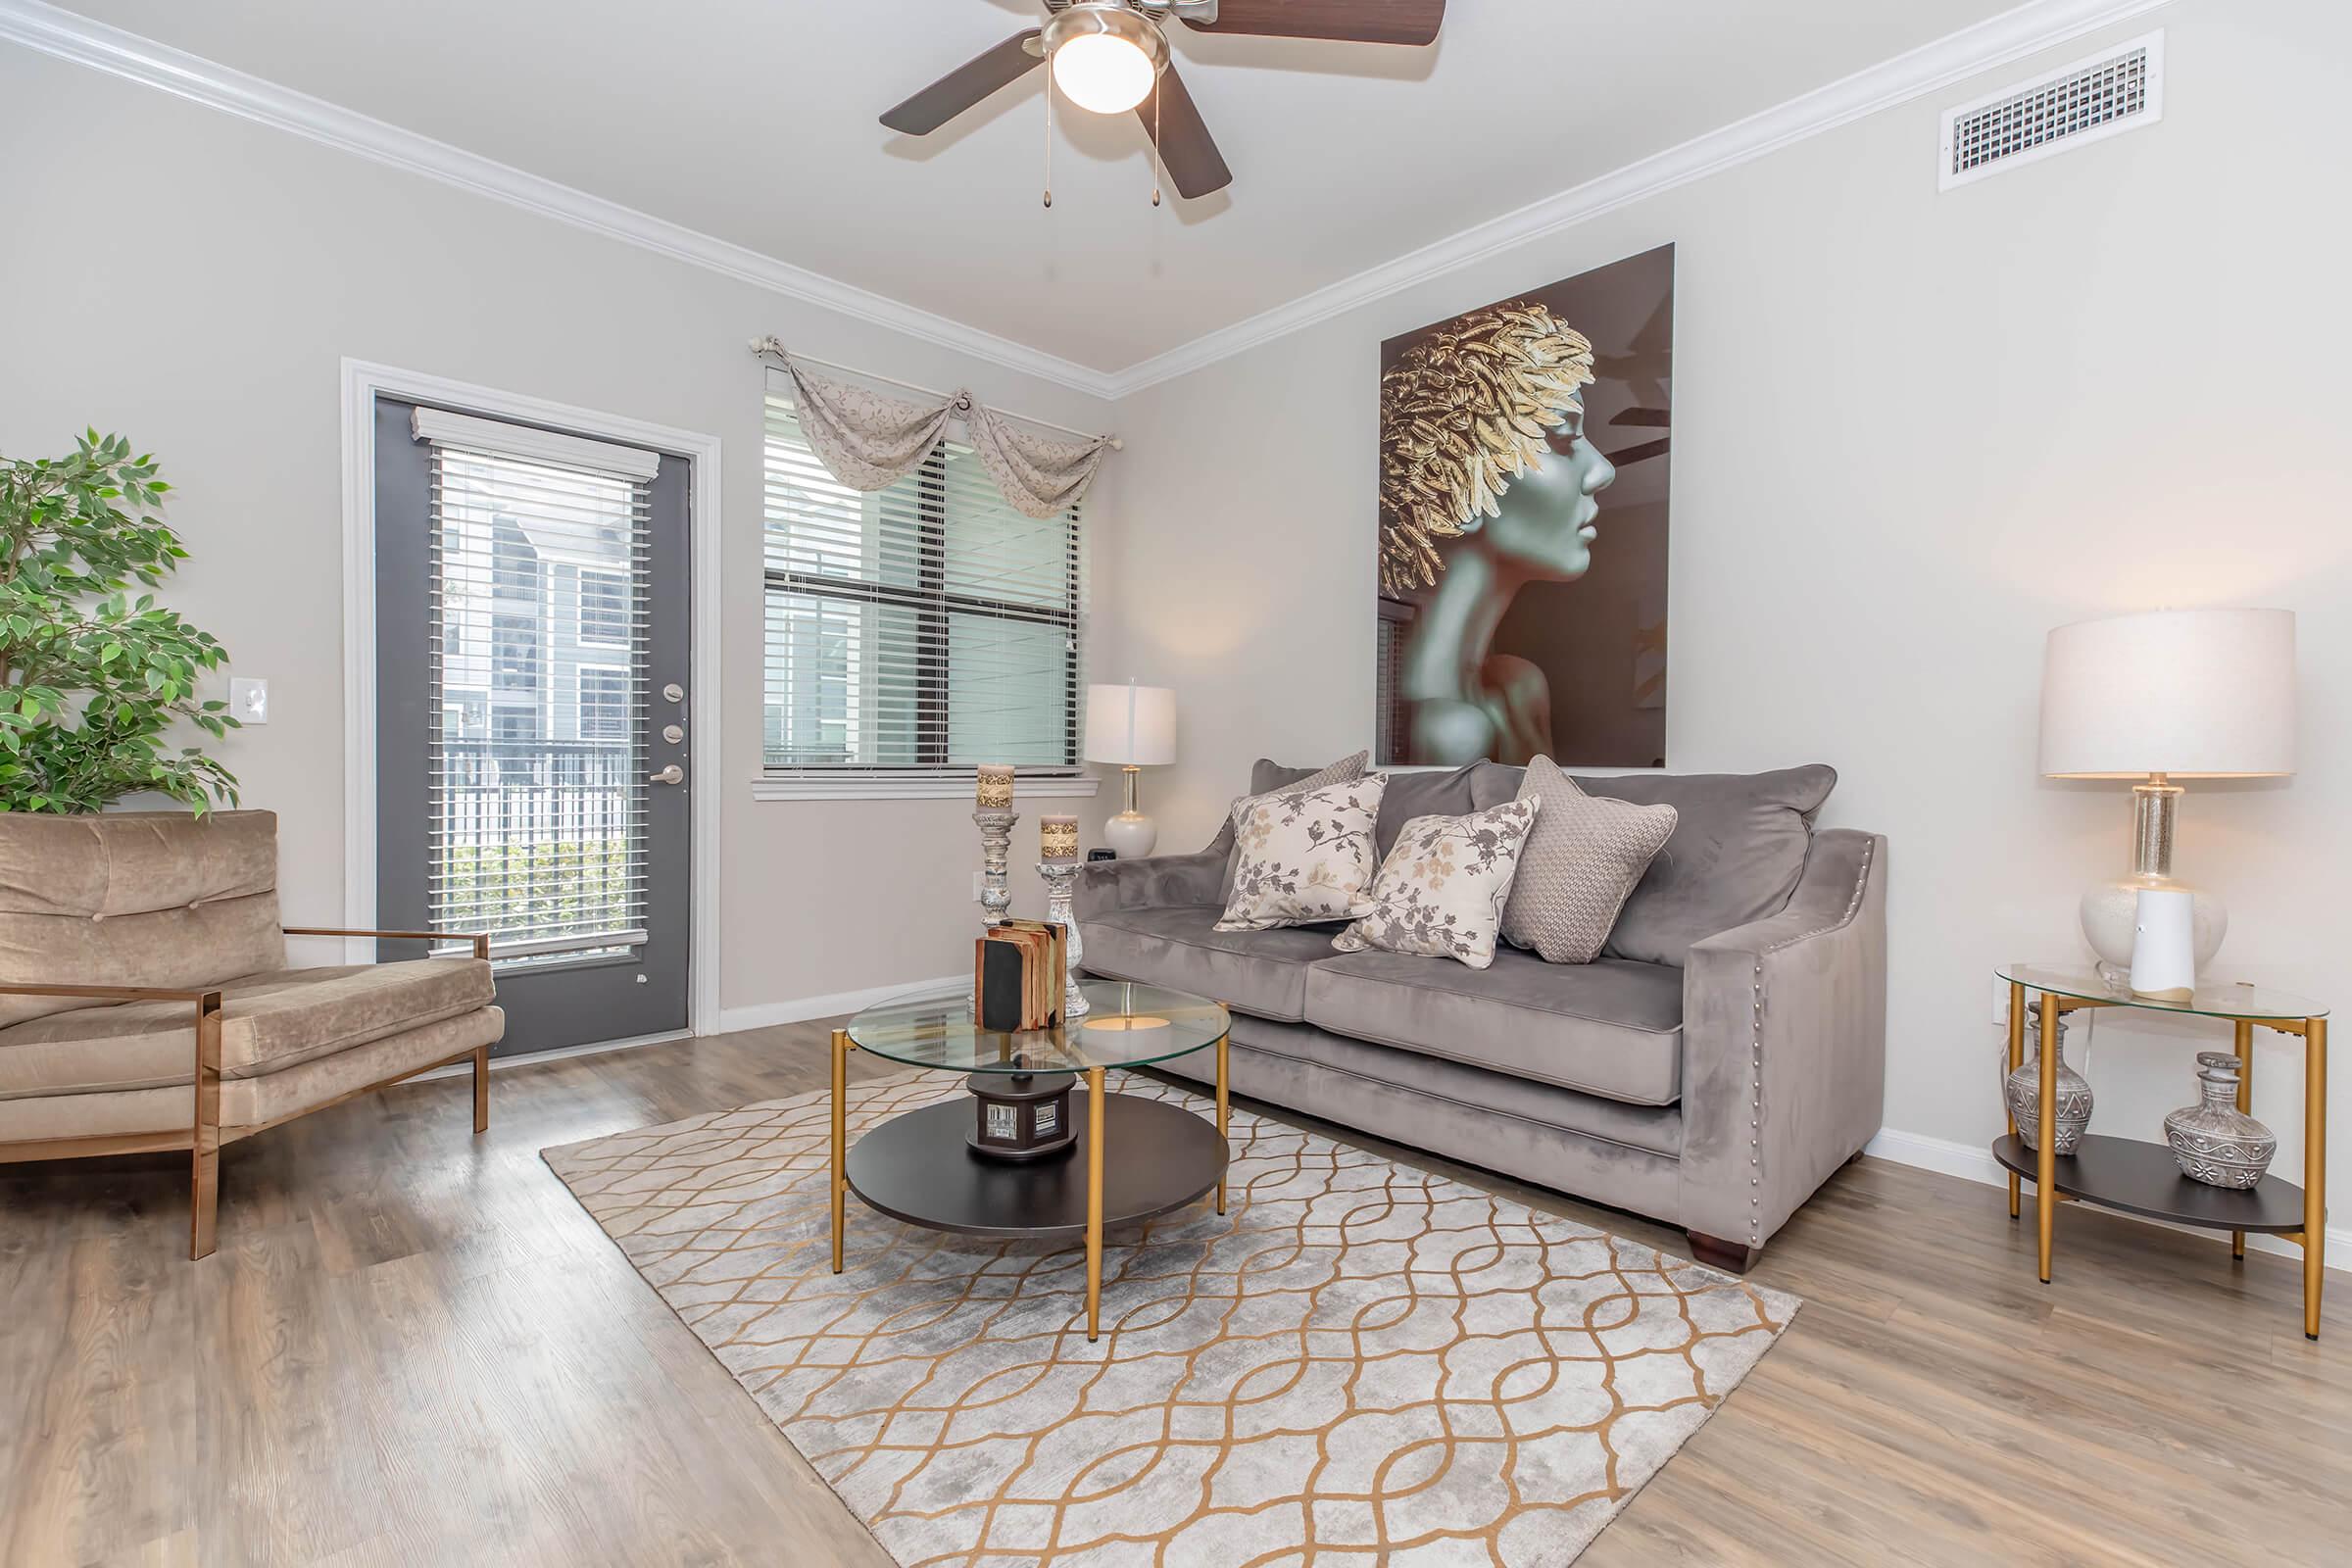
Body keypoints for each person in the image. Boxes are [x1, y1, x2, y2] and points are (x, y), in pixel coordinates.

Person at [1379, 301, 1618, 765]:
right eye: (1561, 438)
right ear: (1459, 484)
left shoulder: (1517, 685)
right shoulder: (1452, 729)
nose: (1602, 471)